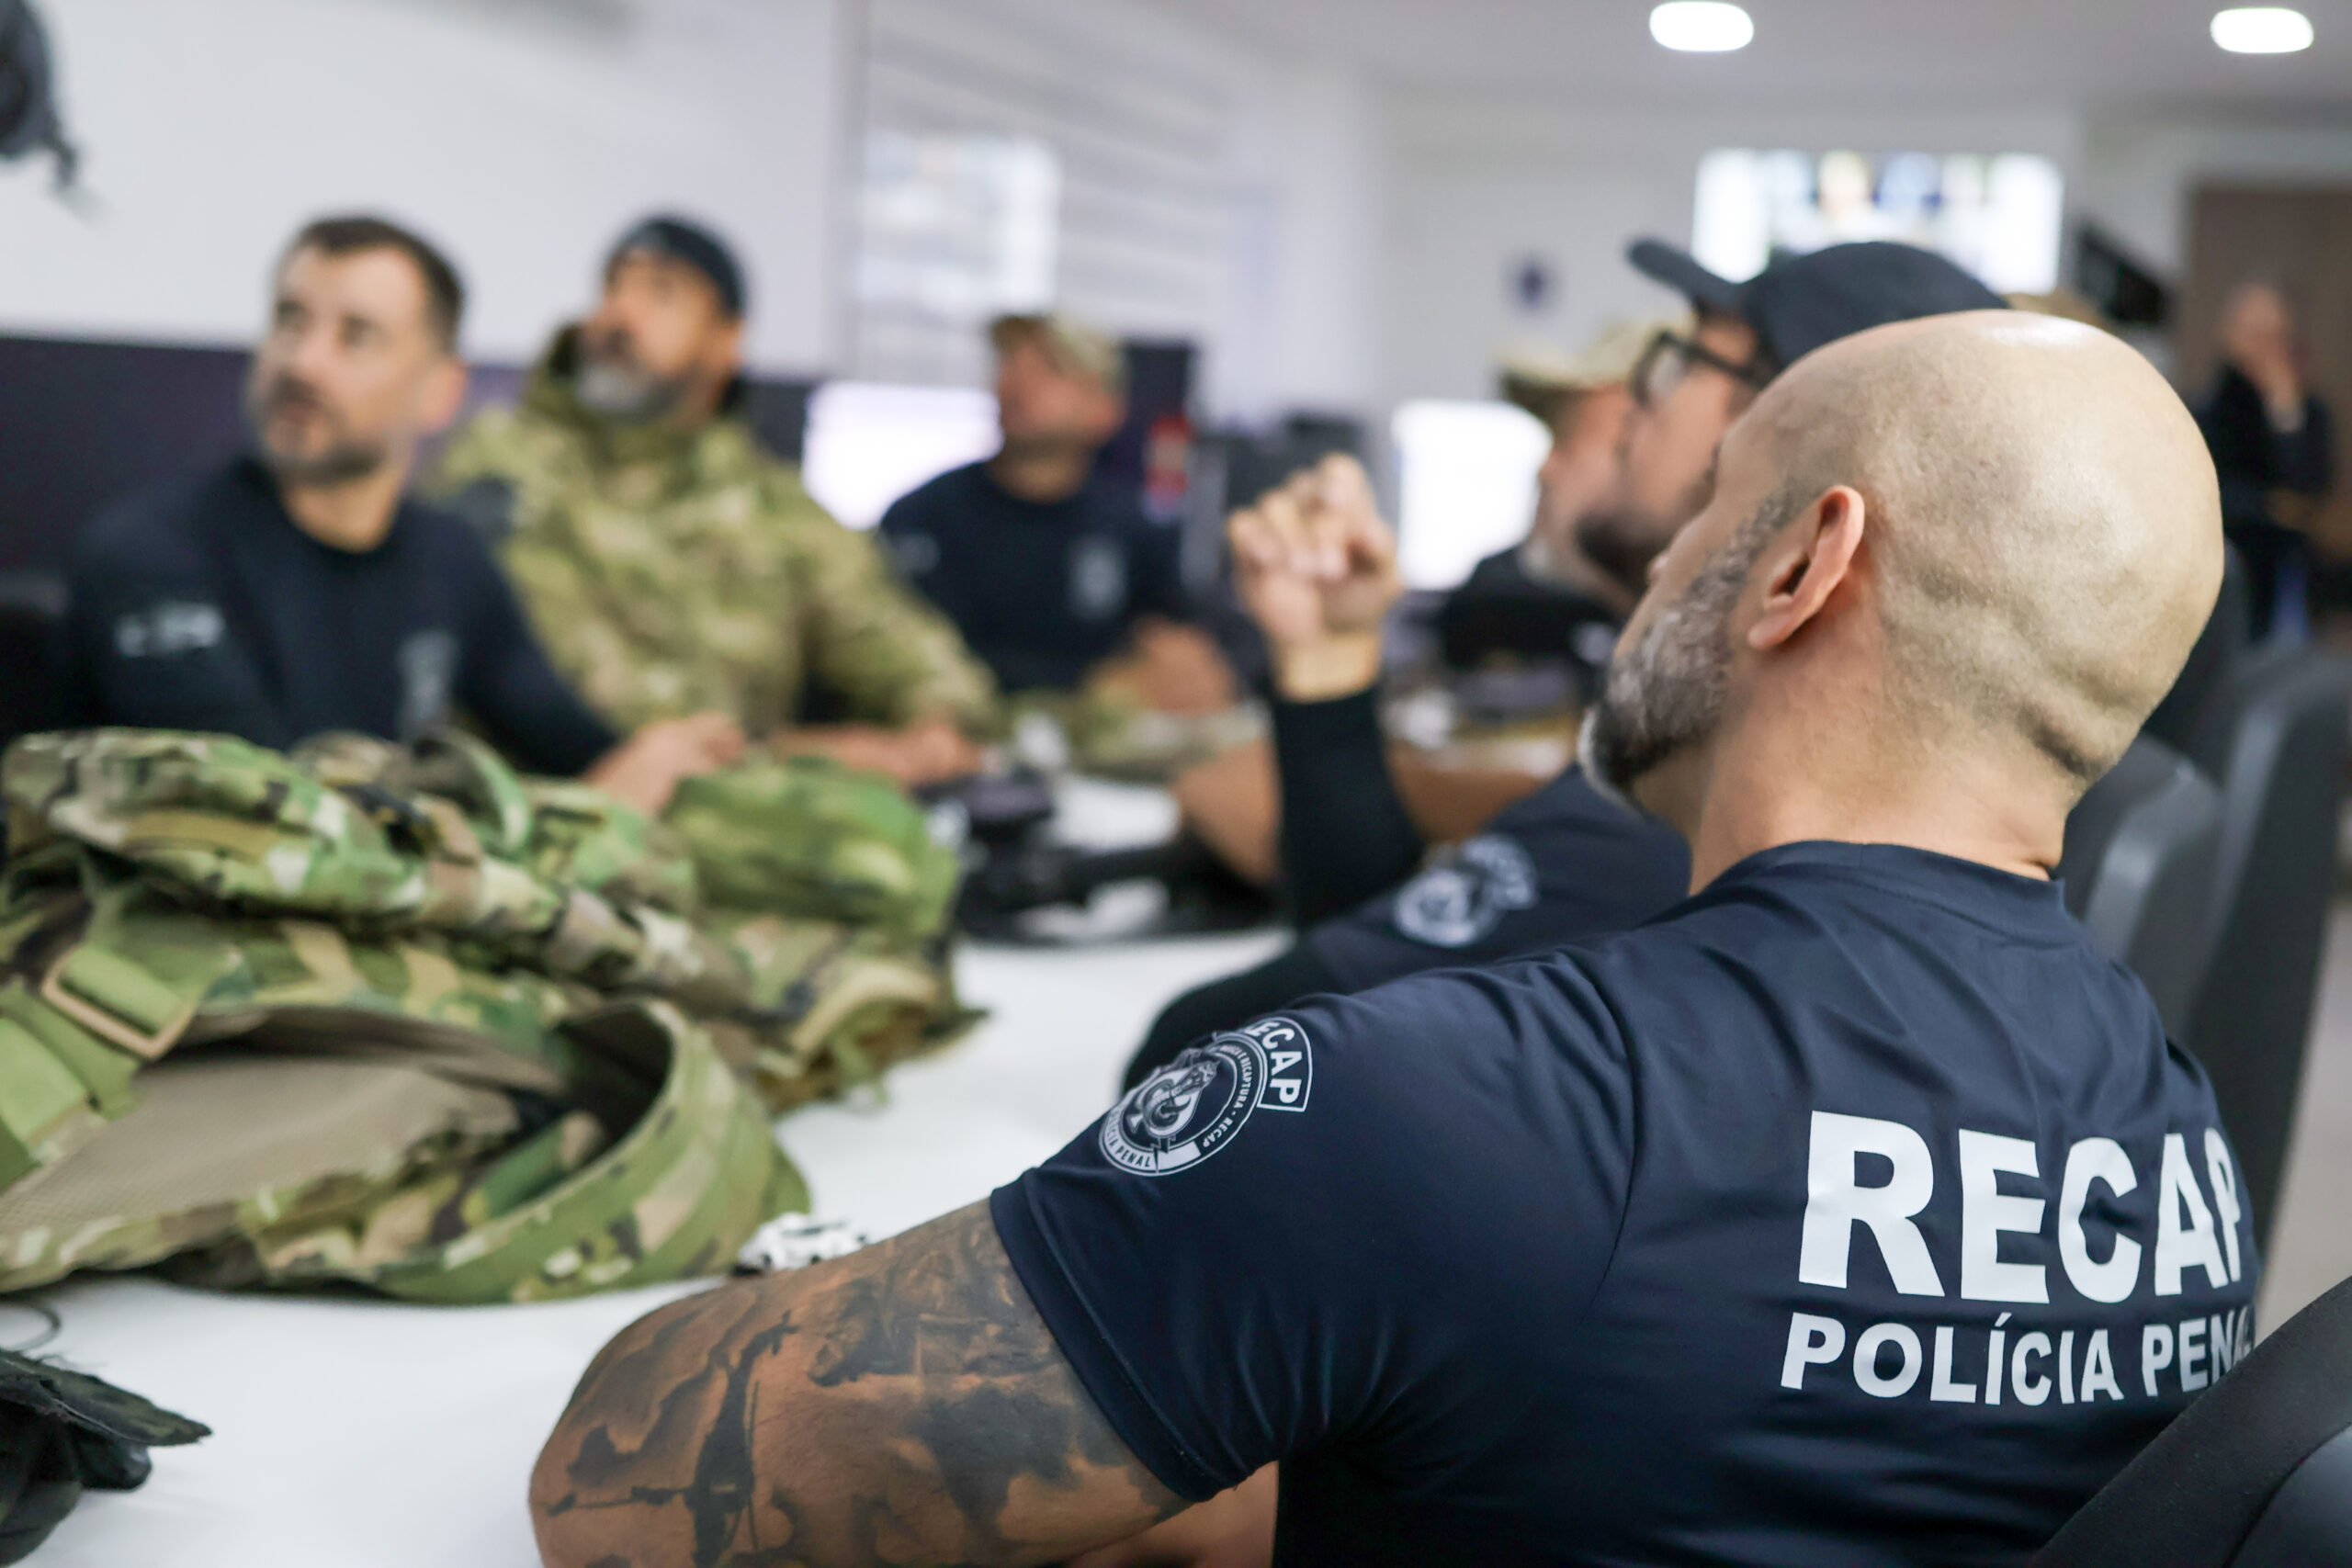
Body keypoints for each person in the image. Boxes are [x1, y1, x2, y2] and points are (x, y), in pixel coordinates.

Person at [530, 310, 2258, 1568]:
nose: (1655, 562)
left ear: (1807, 565)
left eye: (1709, 506)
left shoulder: (1471, 1105)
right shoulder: (2179, 1152)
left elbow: (620, 1488)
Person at [1131, 240, 2007, 1089]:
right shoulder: (1878, 803)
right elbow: (1373, 962)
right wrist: (1326, 661)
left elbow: (1216, 1056)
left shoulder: (1685, 816)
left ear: (1776, 428)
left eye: (1681, 364)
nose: (1635, 410)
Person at [58, 215, 740, 813]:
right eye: (290, 320)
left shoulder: (448, 557)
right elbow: (263, 821)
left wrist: (672, 756)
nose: (303, 361)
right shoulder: (151, 554)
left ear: (440, 390)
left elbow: (575, 744)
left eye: (356, 335)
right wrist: (586, 814)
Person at [435, 216, 995, 787]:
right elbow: (575, 704)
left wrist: (930, 738)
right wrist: (796, 755)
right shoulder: (503, 466)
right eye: (613, 288)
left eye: (662, 293)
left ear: (727, 340)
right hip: (557, 806)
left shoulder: (770, 503)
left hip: (744, 806)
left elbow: (916, 657)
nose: (620, 314)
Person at [879, 313, 1232, 711]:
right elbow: (902, 662)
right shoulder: (921, 519)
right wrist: (1095, 686)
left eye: (1052, 370)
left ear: (1105, 409)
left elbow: (1190, 628)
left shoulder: (1131, 526)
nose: (1020, 383)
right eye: (1010, 362)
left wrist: (1188, 664)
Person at [2195, 281, 2335, 641]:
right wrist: (2269, 507)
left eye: (2274, 336)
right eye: (2253, 334)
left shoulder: (2307, 413)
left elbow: (2312, 490)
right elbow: (2209, 492)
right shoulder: (2208, 411)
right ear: (2229, 335)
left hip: (2289, 578)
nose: (2264, 348)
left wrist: (2285, 415)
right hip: (2226, 566)